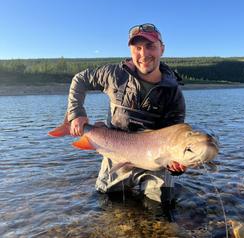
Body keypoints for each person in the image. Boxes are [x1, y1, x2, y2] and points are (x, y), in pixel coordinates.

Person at [66, 23, 186, 204]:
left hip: (154, 161)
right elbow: (80, 79)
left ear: (162, 49)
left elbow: (175, 139)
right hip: (115, 152)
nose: (143, 54)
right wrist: (76, 113)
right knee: (106, 203)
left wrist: (178, 165)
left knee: (161, 208)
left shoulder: (174, 94)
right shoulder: (114, 75)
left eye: (150, 46)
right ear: (130, 50)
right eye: (137, 48)